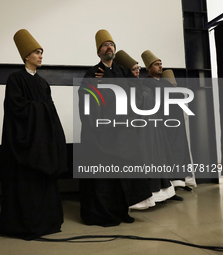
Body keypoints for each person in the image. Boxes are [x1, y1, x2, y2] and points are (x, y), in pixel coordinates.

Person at [0, 29, 68, 240]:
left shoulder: (43, 83)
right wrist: (43, 109)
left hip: (42, 145)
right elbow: (17, 109)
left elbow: (50, 111)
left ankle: (47, 222)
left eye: (41, 52)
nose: (40, 56)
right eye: (36, 52)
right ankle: (24, 225)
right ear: (26, 56)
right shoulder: (15, 79)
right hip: (25, 144)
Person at [77, 29, 153, 226]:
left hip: (123, 132)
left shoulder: (122, 70)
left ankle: (123, 210)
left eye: (111, 44)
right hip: (103, 133)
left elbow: (136, 91)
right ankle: (104, 213)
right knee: (106, 177)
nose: (109, 46)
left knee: (125, 175)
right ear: (98, 52)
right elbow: (86, 100)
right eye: (104, 45)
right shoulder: (91, 73)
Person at [113, 50, 178, 208]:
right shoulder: (123, 88)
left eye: (138, 69)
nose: (137, 72)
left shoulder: (140, 85)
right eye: (134, 69)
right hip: (138, 134)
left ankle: (160, 195)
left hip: (152, 132)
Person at [141, 50, 194, 194]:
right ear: (149, 68)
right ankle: (169, 185)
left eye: (160, 64)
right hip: (163, 124)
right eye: (156, 65)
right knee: (167, 153)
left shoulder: (165, 81)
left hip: (176, 125)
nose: (160, 67)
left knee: (179, 150)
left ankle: (180, 181)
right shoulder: (147, 82)